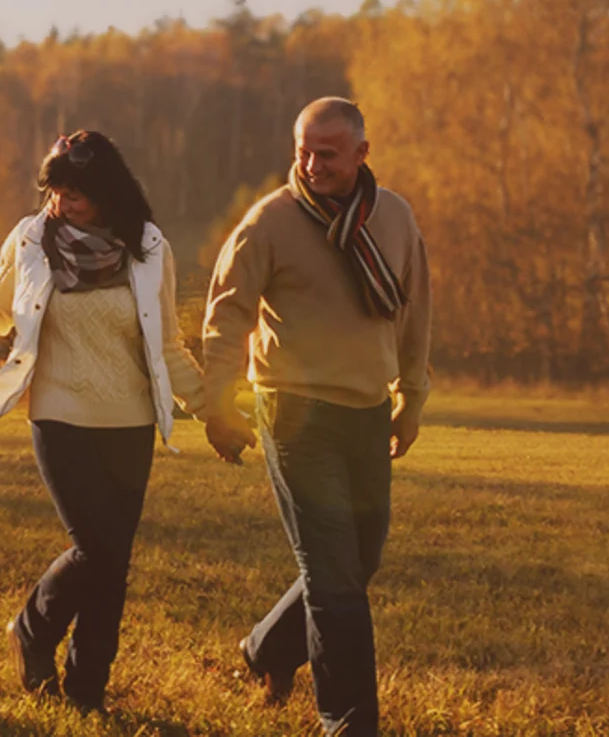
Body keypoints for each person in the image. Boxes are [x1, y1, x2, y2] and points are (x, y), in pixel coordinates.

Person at [0, 130, 210, 712]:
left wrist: (213, 412)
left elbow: (168, 345)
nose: (60, 202)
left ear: (107, 192)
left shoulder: (148, 247)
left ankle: (87, 688)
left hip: (130, 425)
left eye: (75, 193)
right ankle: (32, 630)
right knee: (96, 548)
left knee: (114, 562)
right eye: (54, 190)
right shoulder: (30, 240)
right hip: (58, 415)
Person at [199, 97, 432, 737]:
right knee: (333, 577)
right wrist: (217, 404)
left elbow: (415, 314)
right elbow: (226, 316)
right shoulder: (269, 221)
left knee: (360, 560)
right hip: (292, 411)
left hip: (367, 408)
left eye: (327, 152)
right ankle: (348, 720)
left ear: (361, 153)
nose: (311, 163)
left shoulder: (395, 218)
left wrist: (412, 395)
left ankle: (268, 649)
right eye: (303, 149)